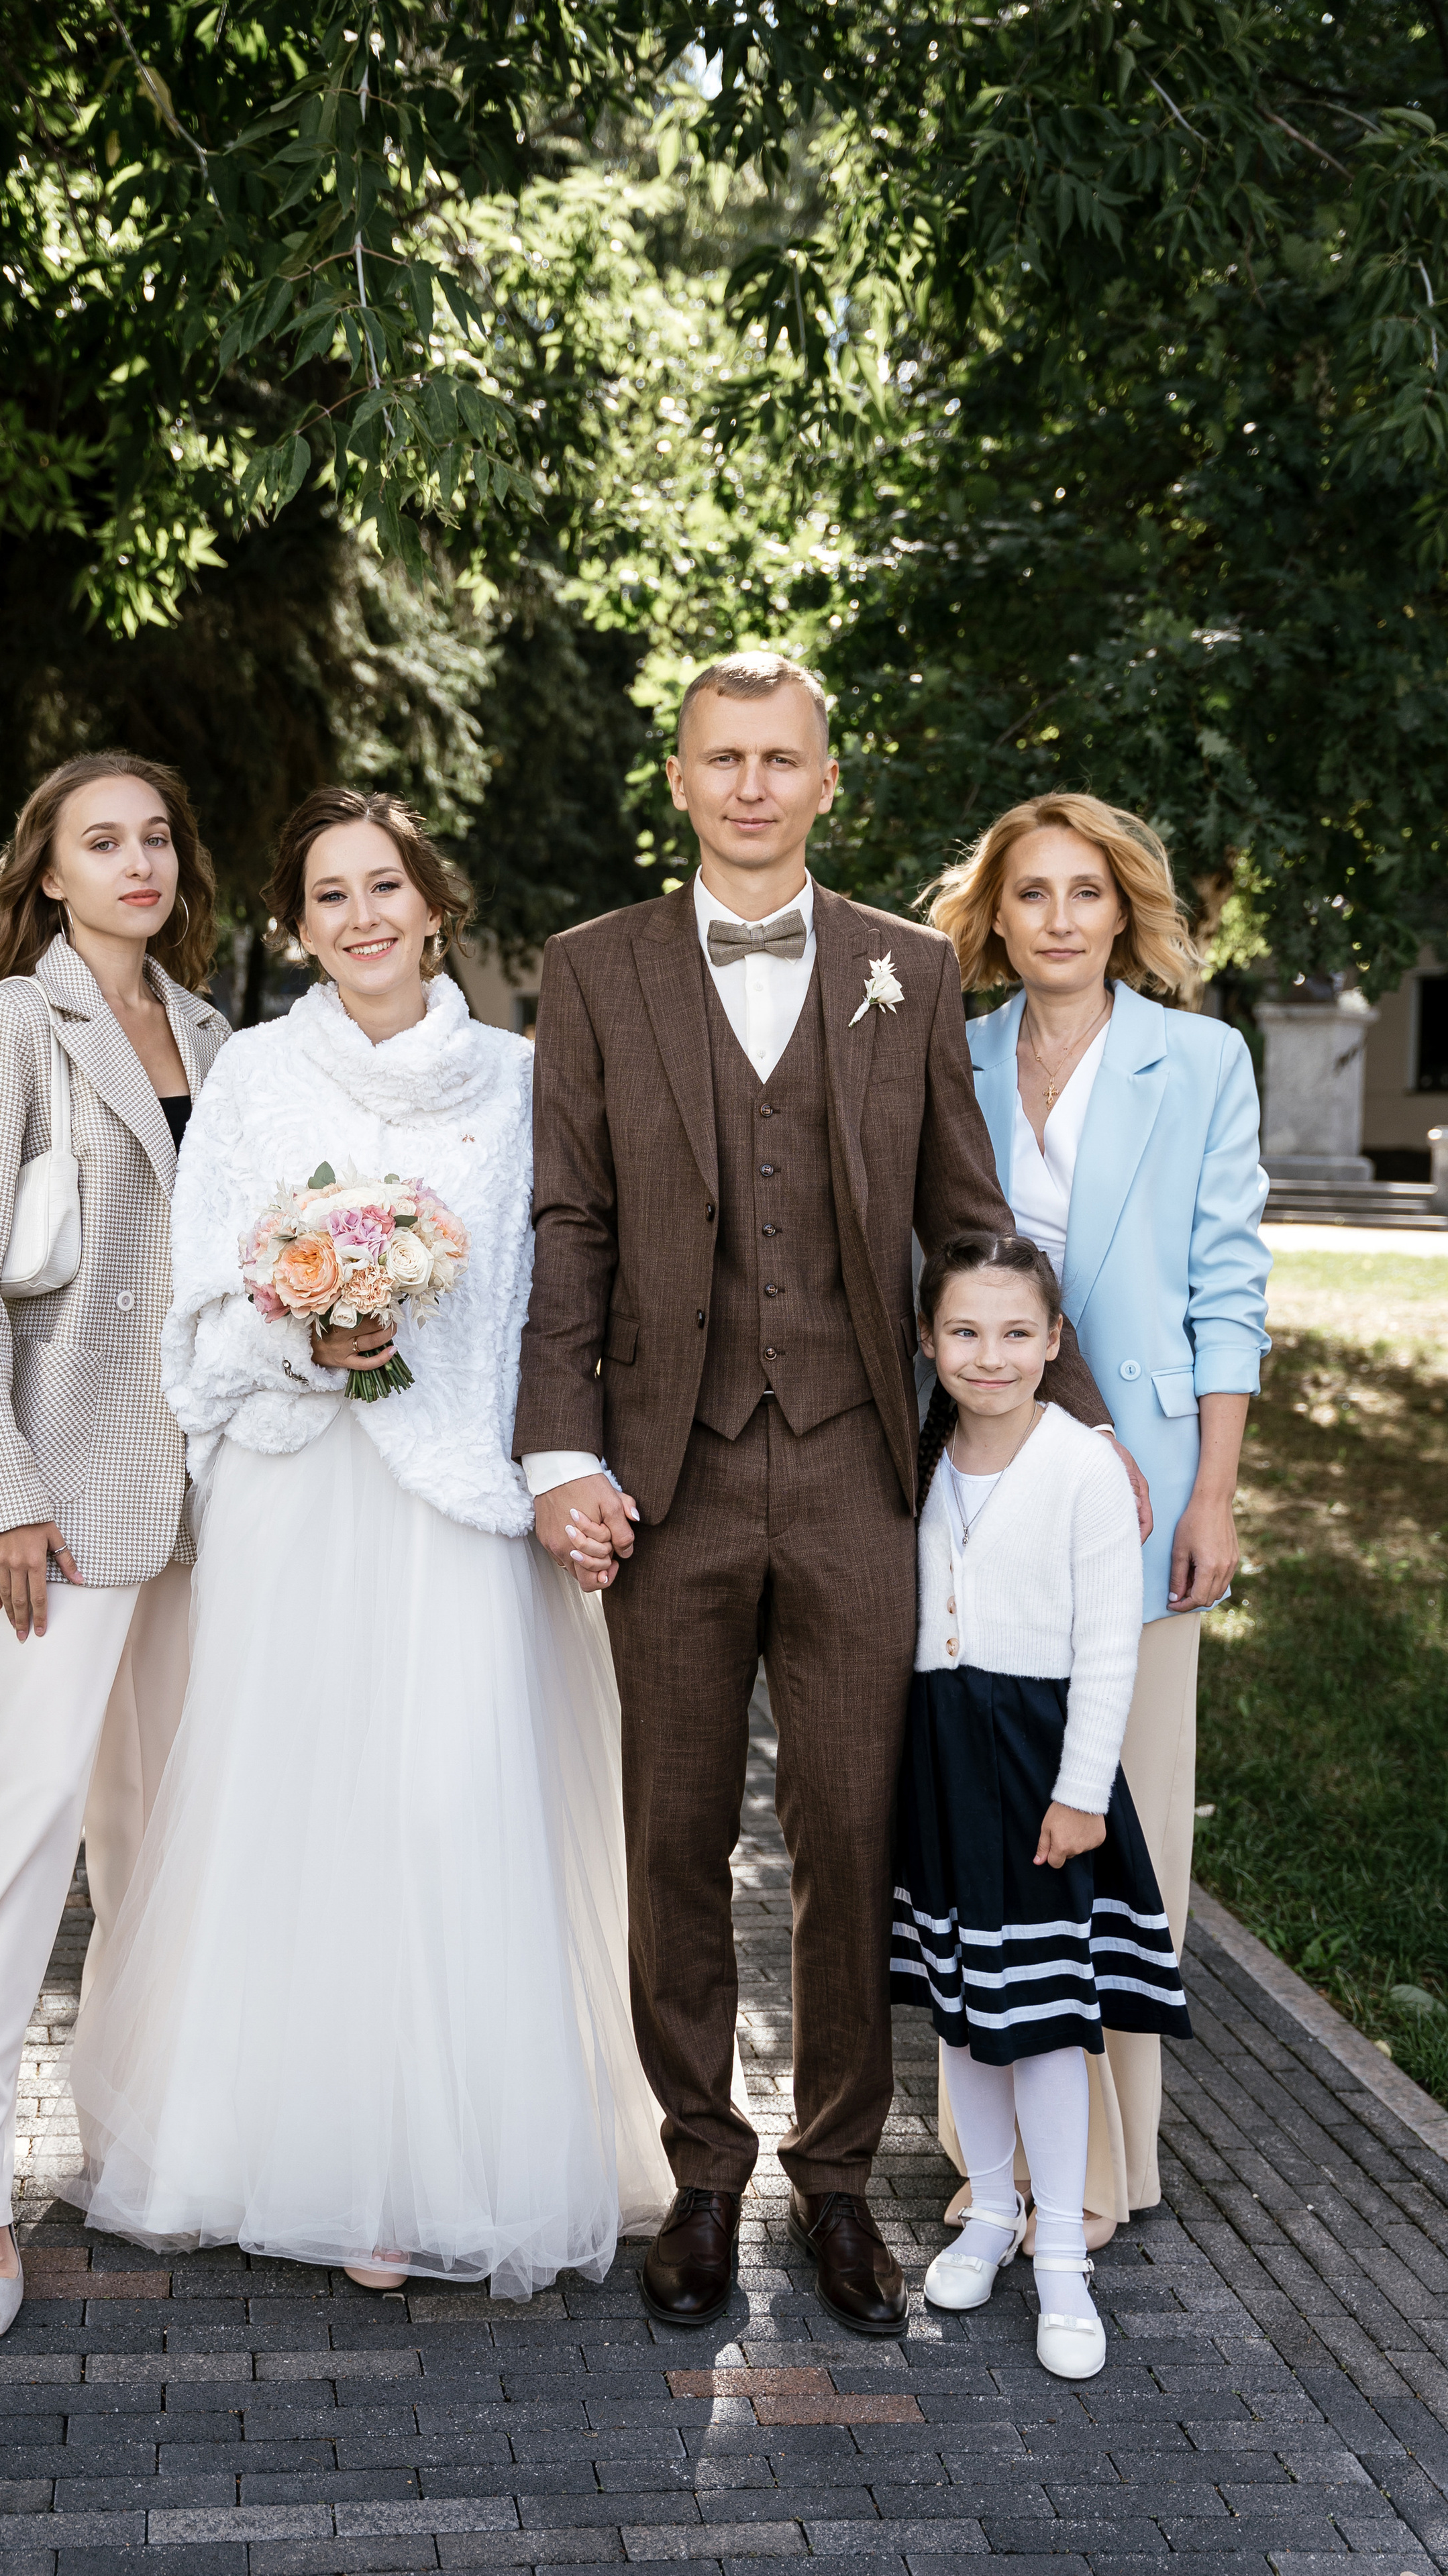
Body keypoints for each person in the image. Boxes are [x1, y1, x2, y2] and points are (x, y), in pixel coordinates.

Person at [513, 653, 1143, 2334]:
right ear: (675, 777)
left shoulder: (906, 968)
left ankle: (843, 2181)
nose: (748, 786)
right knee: (672, 1833)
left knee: (857, 1833)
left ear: (824, 781)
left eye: (778, 760)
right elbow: (565, 1223)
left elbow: (964, 1210)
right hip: (672, 1474)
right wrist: (558, 1451)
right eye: (720, 759)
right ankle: (703, 2173)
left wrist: (1073, 1427)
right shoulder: (587, 972)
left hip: (871, 1476)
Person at [64, 787, 672, 2296]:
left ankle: (448, 2159)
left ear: (434, 904)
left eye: (384, 886)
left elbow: (558, 1298)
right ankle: (311, 2163)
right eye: (328, 895)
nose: (361, 918)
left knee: (447, 1808)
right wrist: (311, 1340)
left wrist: (552, 1460)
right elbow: (201, 1304)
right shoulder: (259, 1077)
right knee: (304, 1807)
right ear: (294, 925)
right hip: (303, 1487)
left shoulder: (526, 1078)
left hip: (460, 1495)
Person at [0, 752, 229, 2334]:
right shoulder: (19, 1022)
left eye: (155, 836)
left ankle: (139, 2142)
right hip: (64, 1497)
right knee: (23, 1833)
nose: (138, 860)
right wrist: (1, 1488)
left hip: (208, 1505)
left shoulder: (215, 1034)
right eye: (105, 841)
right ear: (53, 871)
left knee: (160, 1833)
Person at [926, 791, 1270, 2243]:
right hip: (975, 1465)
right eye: (1030, 895)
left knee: (1121, 1810)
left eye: (1084, 893)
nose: (1057, 918)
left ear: (1122, 912)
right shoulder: (954, 1056)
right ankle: (986, 2161)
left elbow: (1225, 1284)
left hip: (1138, 1475)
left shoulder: (1196, 1060)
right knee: (977, 1809)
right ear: (992, 917)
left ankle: (1116, 2160)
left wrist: (1209, 1489)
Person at [892, 1231, 1191, 2381]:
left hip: (1040, 1767)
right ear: (929, 1340)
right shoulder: (918, 1457)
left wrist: (1080, 1792)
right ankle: (990, 2215)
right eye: (964, 1331)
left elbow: (1110, 1649)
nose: (991, 1354)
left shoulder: (1079, 1470)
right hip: (944, 1759)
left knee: (1051, 2020)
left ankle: (1063, 2250)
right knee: (970, 2006)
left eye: (1018, 1333)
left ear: (1054, 1343)